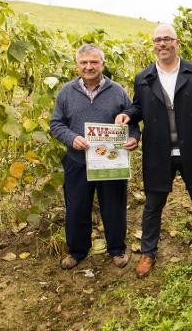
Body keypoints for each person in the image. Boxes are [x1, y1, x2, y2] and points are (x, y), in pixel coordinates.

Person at [115, 24, 192, 279]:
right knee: (153, 204)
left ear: (177, 42)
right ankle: (148, 252)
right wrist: (128, 115)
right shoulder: (144, 78)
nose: (163, 44)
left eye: (167, 39)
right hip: (158, 151)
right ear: (154, 44)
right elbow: (138, 107)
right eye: (158, 40)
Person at [50, 44, 140, 270]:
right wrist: (72, 138)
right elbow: (56, 124)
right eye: (84, 63)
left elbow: (132, 122)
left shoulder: (118, 91)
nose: (89, 67)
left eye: (94, 62)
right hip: (77, 161)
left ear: (102, 64)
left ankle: (117, 249)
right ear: (77, 65)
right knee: (77, 207)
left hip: (110, 161)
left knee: (114, 206)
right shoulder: (66, 92)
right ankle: (77, 251)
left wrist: (133, 139)